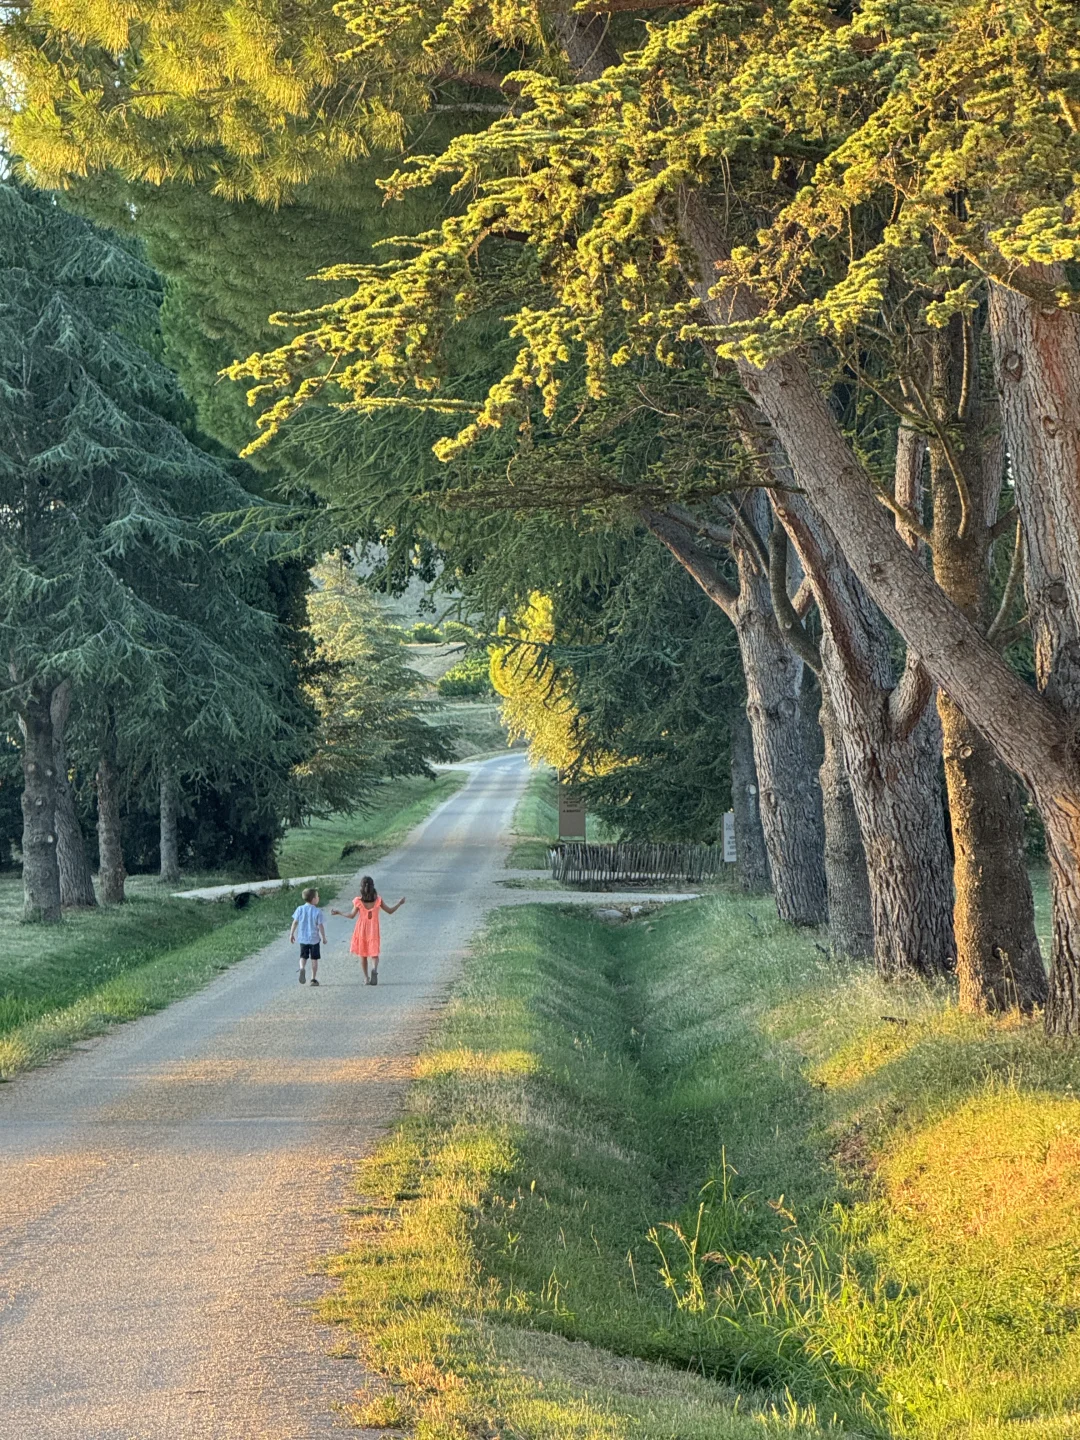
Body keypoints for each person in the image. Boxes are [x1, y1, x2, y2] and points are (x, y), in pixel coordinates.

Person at [332, 876, 405, 986]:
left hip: (361, 930)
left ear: (361, 887)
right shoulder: (378, 900)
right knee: (374, 953)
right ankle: (374, 969)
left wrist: (339, 912)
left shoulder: (358, 901)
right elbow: (390, 911)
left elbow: (351, 915)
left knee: (363, 954)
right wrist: (399, 903)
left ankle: (366, 978)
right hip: (373, 930)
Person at [289, 886, 327, 986]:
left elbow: (295, 922)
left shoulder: (300, 909)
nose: (318, 898)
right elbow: (320, 926)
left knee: (303, 956)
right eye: (317, 896)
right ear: (314, 899)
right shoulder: (317, 911)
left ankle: (302, 968)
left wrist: (291, 934)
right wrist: (323, 937)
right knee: (314, 959)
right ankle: (313, 979)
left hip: (303, 938)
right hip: (314, 939)